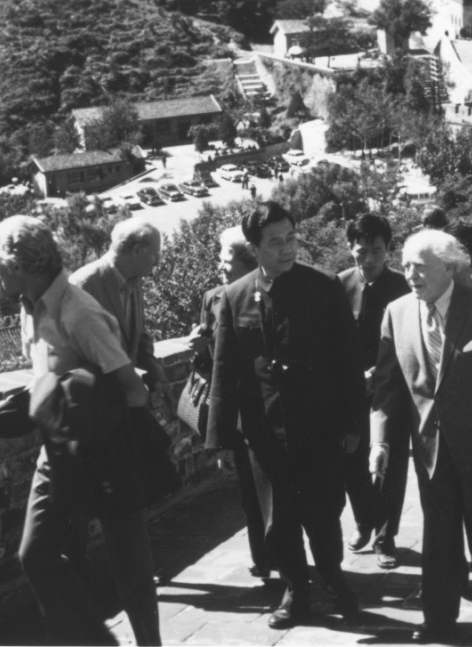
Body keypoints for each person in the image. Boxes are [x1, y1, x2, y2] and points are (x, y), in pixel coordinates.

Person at [0, 216, 161, 646]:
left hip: (108, 449)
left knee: (130, 567)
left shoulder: (77, 312)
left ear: (18, 262)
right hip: (59, 449)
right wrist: (19, 403)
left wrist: (79, 398)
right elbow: (52, 376)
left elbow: (134, 392)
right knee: (36, 555)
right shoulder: (31, 306)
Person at [206, 202, 366, 629]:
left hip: (319, 426)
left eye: (291, 237)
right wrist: (220, 439)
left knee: (323, 511)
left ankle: (332, 576)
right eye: (275, 242)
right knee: (277, 521)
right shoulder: (235, 296)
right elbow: (226, 370)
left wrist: (353, 424)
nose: (286, 248)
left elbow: (349, 362)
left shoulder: (324, 287)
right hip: (263, 432)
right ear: (254, 248)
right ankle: (296, 589)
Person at [369, 229, 472, 643]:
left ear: (449, 267)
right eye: (405, 266)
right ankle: (439, 619)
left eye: (420, 267)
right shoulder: (397, 313)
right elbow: (387, 387)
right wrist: (381, 441)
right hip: (429, 449)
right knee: (439, 537)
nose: (410, 275)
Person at [68, 219, 172, 577]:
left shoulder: (134, 280)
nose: (157, 263)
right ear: (137, 250)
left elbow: (137, 334)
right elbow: (73, 353)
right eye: (154, 255)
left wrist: (152, 367)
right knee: (83, 495)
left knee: (128, 486)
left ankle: (131, 566)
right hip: (91, 409)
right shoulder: (83, 286)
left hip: (122, 405)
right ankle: (74, 574)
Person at [186, 228, 268, 578]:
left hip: (264, 401)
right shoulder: (212, 298)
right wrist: (198, 348)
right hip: (232, 405)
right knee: (248, 490)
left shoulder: (265, 292)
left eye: (227, 257)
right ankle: (263, 557)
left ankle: (283, 550)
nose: (220, 263)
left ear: (249, 263)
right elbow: (209, 364)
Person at [337, 214, 411, 569]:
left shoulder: (403, 287)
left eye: (376, 251)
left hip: (392, 390)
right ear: (350, 249)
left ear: (388, 250)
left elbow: (412, 342)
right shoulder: (338, 286)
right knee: (352, 462)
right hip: (350, 392)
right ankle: (364, 521)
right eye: (361, 250)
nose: (368, 259)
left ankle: (385, 536)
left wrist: (380, 373)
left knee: (389, 465)